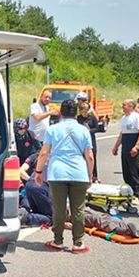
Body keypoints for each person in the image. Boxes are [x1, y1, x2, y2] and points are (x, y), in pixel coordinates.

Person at [34, 99, 94, 253]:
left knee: (59, 208)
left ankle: (58, 241)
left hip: (57, 172)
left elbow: (44, 152)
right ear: (76, 113)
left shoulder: (53, 129)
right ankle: (78, 243)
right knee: (78, 209)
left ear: (61, 112)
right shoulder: (83, 130)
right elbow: (90, 156)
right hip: (79, 173)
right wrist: (90, 174)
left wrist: (38, 172)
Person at [111, 99, 139, 199]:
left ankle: (136, 193)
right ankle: (128, 192)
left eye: (124, 105)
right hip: (125, 147)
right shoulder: (124, 118)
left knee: (134, 171)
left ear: (131, 106)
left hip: (133, 147)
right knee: (126, 172)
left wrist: (137, 146)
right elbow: (122, 133)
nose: (122, 107)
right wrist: (116, 146)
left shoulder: (137, 117)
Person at [77, 101, 99, 182]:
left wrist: (89, 130)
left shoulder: (92, 118)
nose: (84, 113)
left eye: (86, 111)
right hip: (80, 141)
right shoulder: (78, 119)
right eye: (83, 111)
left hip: (91, 140)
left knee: (92, 157)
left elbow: (97, 128)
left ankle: (94, 176)